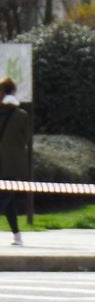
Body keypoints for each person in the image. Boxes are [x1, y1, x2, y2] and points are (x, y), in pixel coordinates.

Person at [0, 77, 31, 247]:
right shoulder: (21, 115)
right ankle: (17, 235)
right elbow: (25, 139)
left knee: (7, 201)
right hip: (13, 165)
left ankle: (17, 235)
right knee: (5, 199)